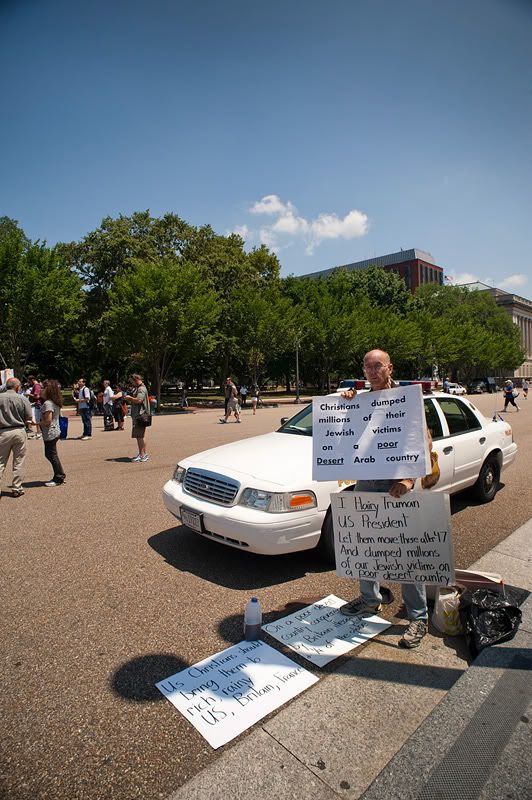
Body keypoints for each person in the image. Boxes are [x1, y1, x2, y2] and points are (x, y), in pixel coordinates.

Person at [338, 349, 434, 649]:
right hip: (367, 482)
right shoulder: (359, 400)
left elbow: (423, 440)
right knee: (365, 545)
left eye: (377, 365)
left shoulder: (407, 399)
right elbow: (344, 436)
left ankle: (418, 617)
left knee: (406, 552)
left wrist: (407, 480)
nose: (372, 370)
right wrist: (346, 407)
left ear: (389, 367)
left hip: (399, 483)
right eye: (367, 366)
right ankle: (370, 600)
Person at [0, 377, 34, 497]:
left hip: (2, 432)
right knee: (19, 461)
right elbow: (29, 417)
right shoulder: (23, 398)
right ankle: (17, 488)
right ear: (17, 387)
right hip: (19, 430)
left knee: (0, 462)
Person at [39, 379, 66, 487]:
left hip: (51, 432)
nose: (41, 390)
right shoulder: (54, 402)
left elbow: (48, 421)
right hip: (54, 431)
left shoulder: (48, 403)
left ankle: (59, 477)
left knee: (51, 455)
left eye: (43, 388)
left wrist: (36, 423)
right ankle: (60, 475)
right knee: (51, 454)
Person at [125, 374, 150, 461]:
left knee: (139, 436)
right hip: (140, 415)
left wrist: (130, 398)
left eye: (132, 381)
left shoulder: (141, 389)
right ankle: (144, 454)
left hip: (140, 415)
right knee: (141, 436)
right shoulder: (140, 388)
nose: (132, 383)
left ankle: (141, 455)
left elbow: (139, 400)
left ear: (136, 379)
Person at [28, 375, 43, 440]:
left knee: (38, 419)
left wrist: (29, 394)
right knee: (38, 419)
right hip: (38, 404)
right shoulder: (38, 385)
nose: (29, 382)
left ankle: (39, 433)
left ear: (32, 380)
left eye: (29, 381)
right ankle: (38, 433)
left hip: (38, 404)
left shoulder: (36, 385)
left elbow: (37, 396)